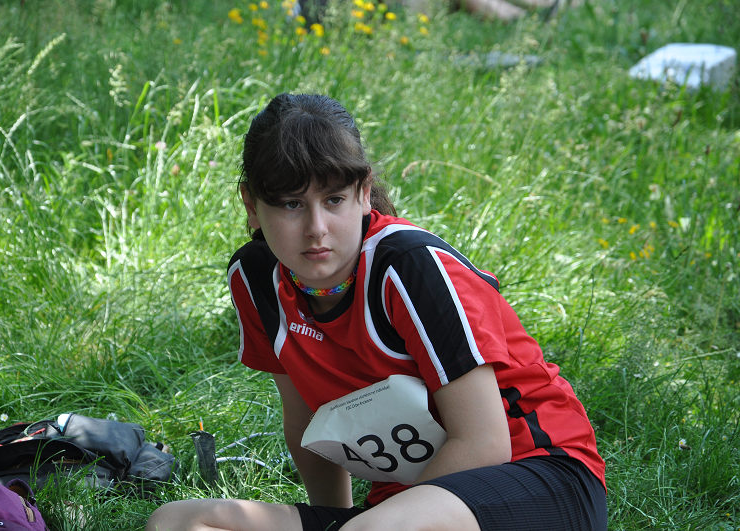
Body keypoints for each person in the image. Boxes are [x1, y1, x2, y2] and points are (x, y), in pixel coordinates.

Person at [146, 93, 607, 531]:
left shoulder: (410, 267)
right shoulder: (255, 277)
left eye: (333, 200)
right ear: (252, 205)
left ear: (364, 192)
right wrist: (334, 518)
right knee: (176, 521)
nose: (316, 228)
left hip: (542, 477)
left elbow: (485, 443)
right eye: (291, 204)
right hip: (401, 510)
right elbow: (306, 419)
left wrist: (372, 522)